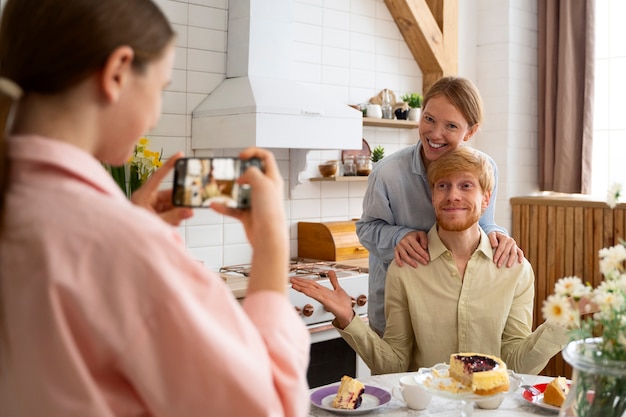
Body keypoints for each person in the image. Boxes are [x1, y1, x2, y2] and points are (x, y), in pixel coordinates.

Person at [0, 1, 310, 416]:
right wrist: (271, 248)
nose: (158, 111)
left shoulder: (27, 204)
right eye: (162, 88)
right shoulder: (123, 245)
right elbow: (268, 407)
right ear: (117, 72)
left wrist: (130, 225)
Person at [292, 147, 569, 375]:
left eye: (466, 185)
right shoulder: (405, 269)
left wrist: (566, 321)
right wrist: (348, 318)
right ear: (433, 197)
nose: (453, 196)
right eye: (443, 186)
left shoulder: (514, 269)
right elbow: (394, 365)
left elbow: (517, 365)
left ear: (485, 199)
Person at [357, 76, 524, 336]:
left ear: (470, 131)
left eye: (451, 126)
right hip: (397, 313)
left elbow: (483, 222)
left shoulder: (485, 168)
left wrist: (498, 235)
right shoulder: (387, 172)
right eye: (429, 119)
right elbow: (366, 229)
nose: (435, 134)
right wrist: (399, 236)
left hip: (455, 313)